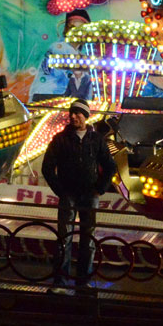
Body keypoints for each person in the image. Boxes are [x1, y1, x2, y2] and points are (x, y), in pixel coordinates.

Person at [41, 98, 116, 294]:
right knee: (63, 237)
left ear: (85, 116)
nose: (72, 116)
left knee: (88, 239)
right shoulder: (60, 139)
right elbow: (47, 167)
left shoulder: (97, 139)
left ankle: (83, 281)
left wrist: (99, 188)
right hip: (69, 194)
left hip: (89, 194)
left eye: (77, 113)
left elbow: (110, 166)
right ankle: (60, 282)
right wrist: (60, 190)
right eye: (71, 113)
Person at [33, 8, 92, 99]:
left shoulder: (75, 53)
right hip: (48, 97)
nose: (78, 33)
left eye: (82, 30)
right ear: (67, 29)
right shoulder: (59, 47)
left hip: (58, 98)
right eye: (74, 28)